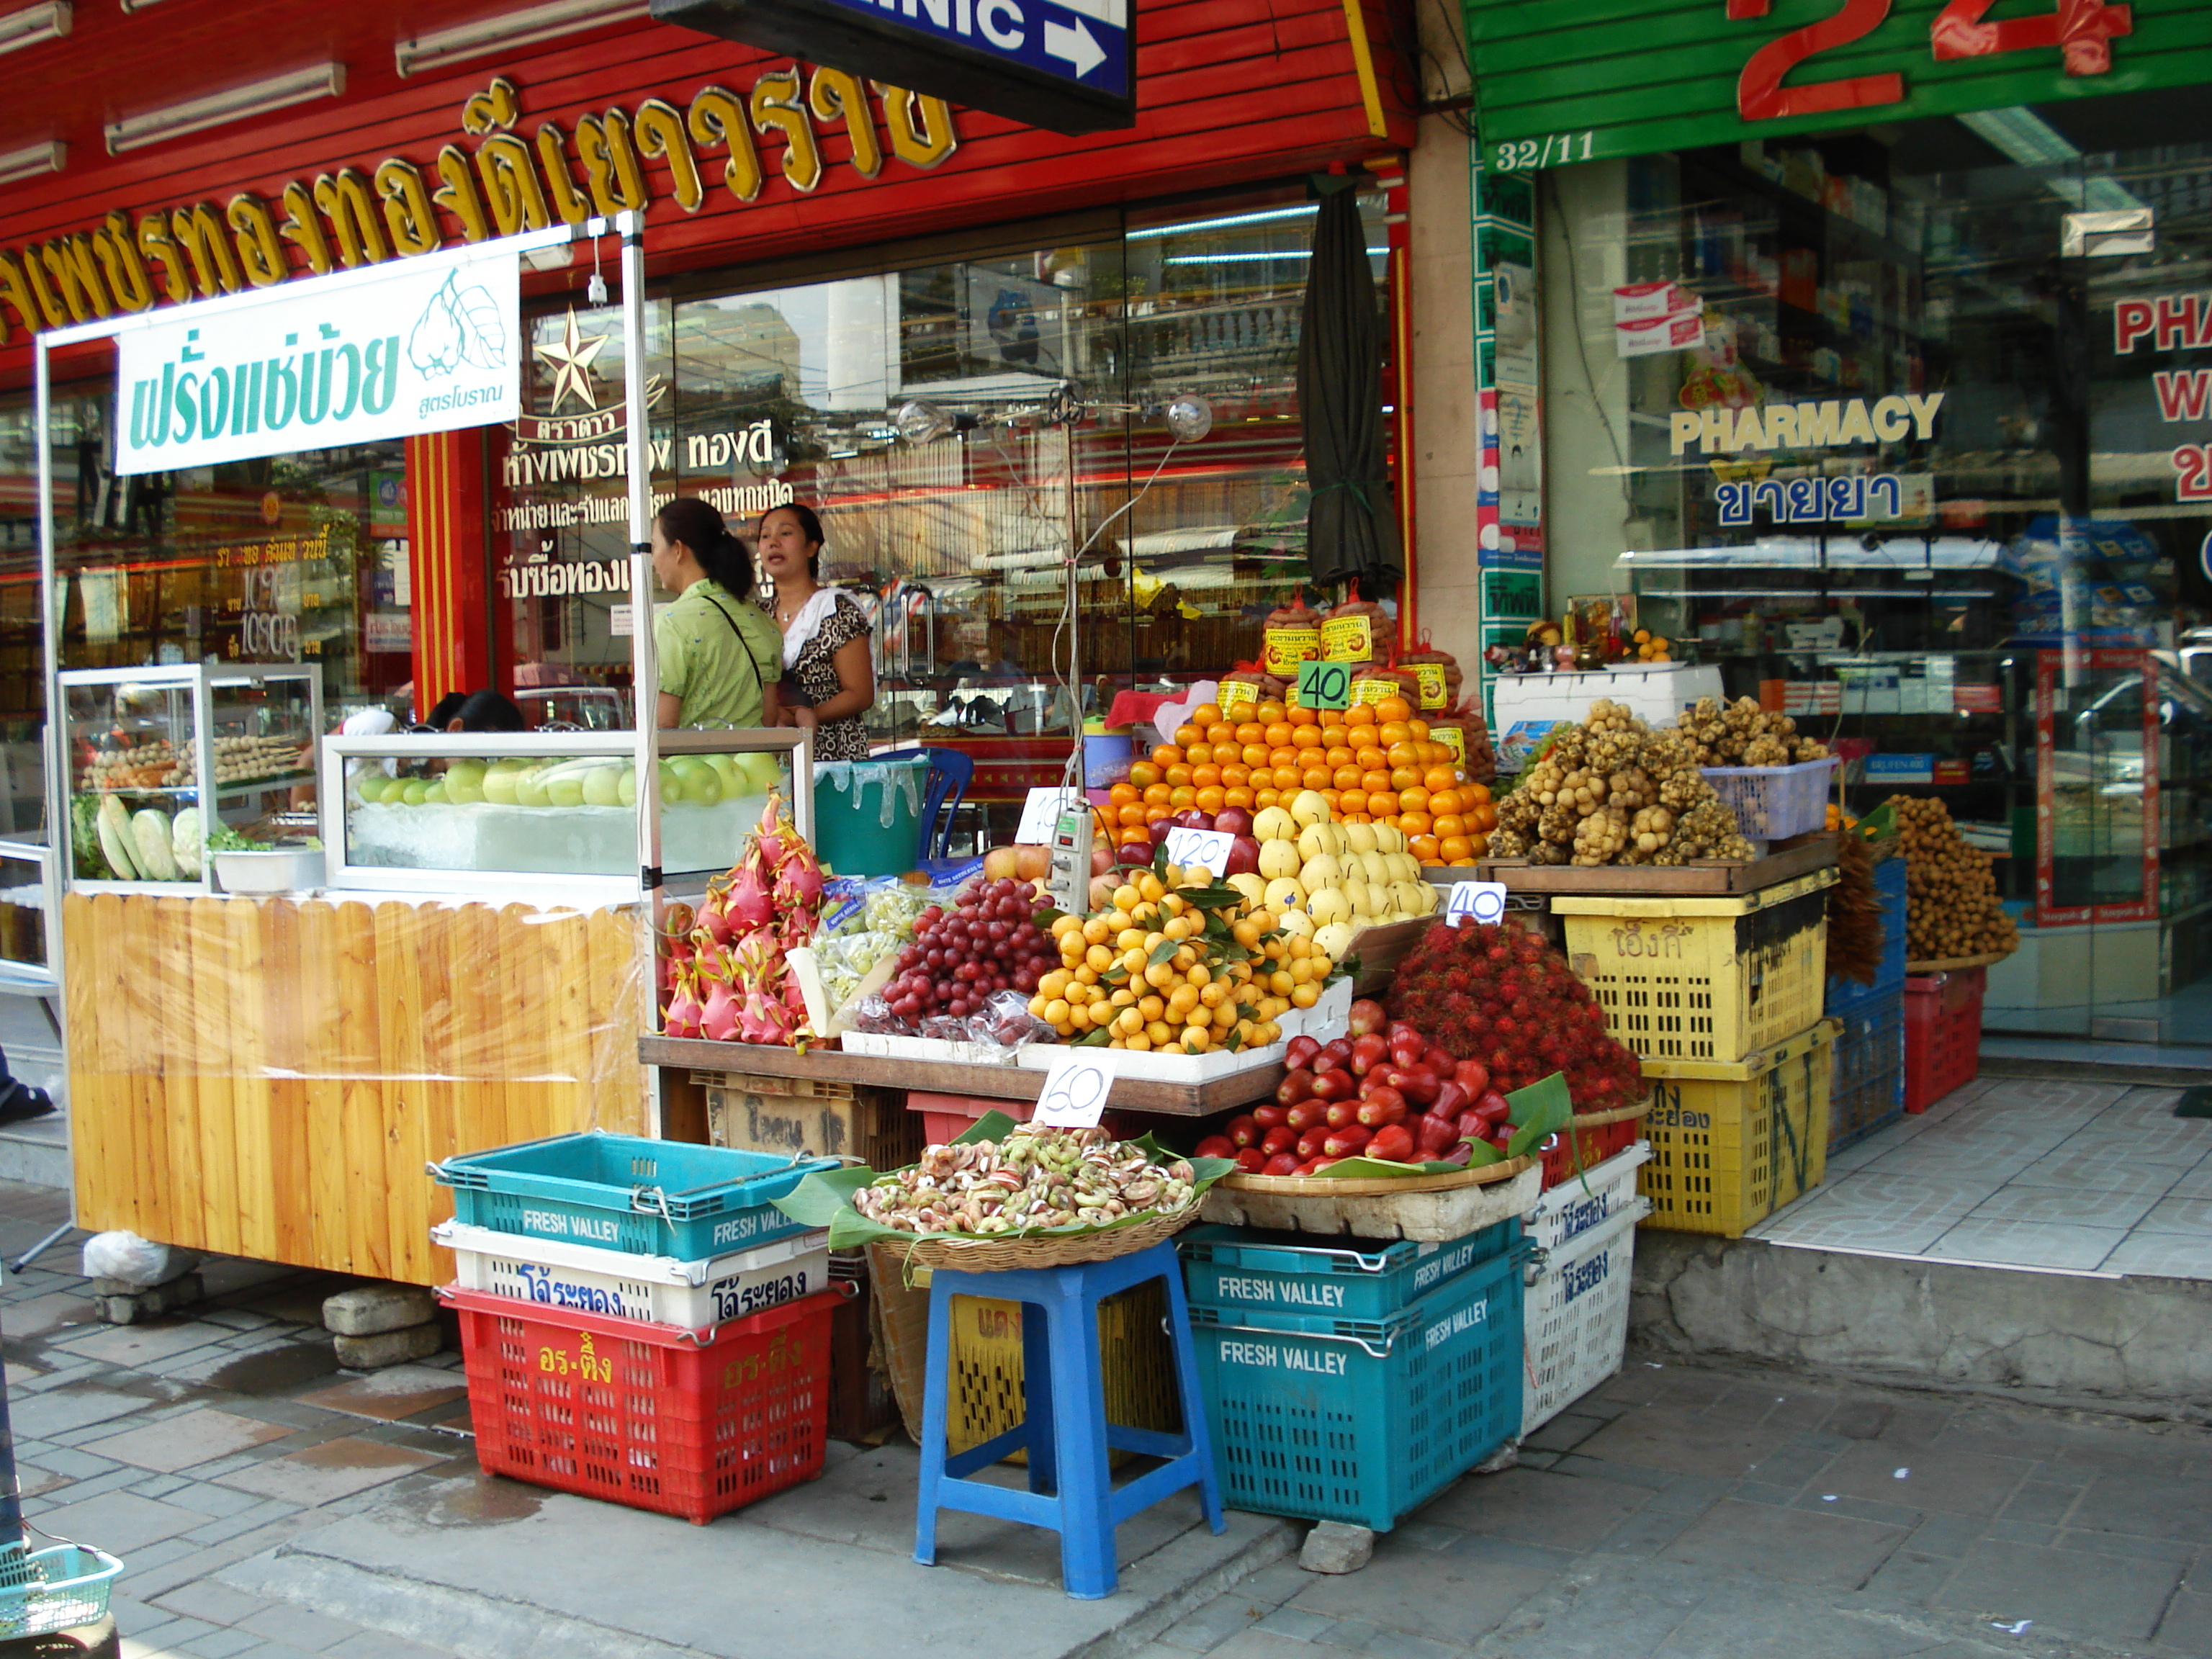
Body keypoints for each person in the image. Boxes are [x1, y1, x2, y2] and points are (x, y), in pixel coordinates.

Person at [757, 503, 874, 761]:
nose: (773, 542)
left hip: (830, 755)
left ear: (812, 546)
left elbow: (860, 694)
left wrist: (802, 717)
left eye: (785, 533)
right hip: (773, 756)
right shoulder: (756, 616)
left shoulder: (837, 609)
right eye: (765, 536)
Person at [652, 498, 782, 729]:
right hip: (755, 764)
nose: (653, 560)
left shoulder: (672, 623)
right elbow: (769, 718)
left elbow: (663, 725)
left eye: (654, 547)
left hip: (694, 763)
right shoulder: (762, 621)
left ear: (679, 550)